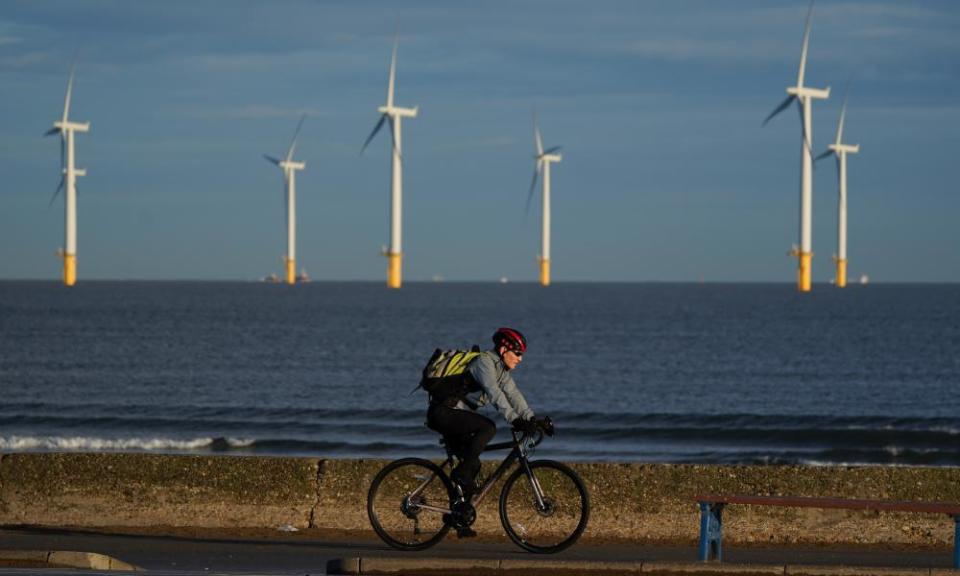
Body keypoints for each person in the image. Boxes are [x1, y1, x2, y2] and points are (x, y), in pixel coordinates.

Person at [426, 327, 539, 497]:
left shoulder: (500, 370)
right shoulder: (484, 363)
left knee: (473, 464)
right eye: (517, 353)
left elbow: (513, 394)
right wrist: (515, 420)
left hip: (453, 413)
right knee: (487, 428)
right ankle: (461, 475)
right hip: (442, 412)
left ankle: (460, 513)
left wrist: (532, 419)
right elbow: (494, 393)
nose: (520, 359)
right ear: (503, 350)